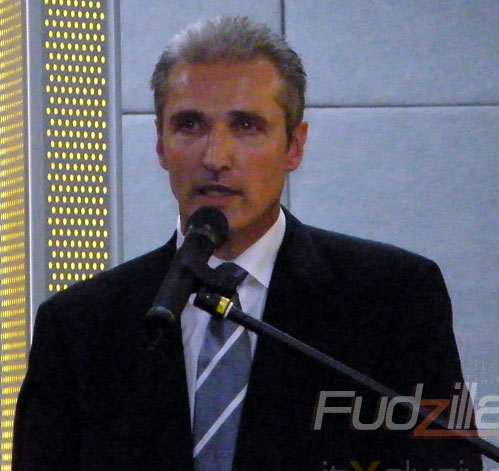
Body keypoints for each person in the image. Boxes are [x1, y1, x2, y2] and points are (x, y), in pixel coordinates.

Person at [13, 16, 482, 471]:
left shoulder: (392, 299)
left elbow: (447, 463)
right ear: (160, 144)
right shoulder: (79, 326)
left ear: (294, 145)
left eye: (246, 126)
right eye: (190, 125)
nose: (215, 157)